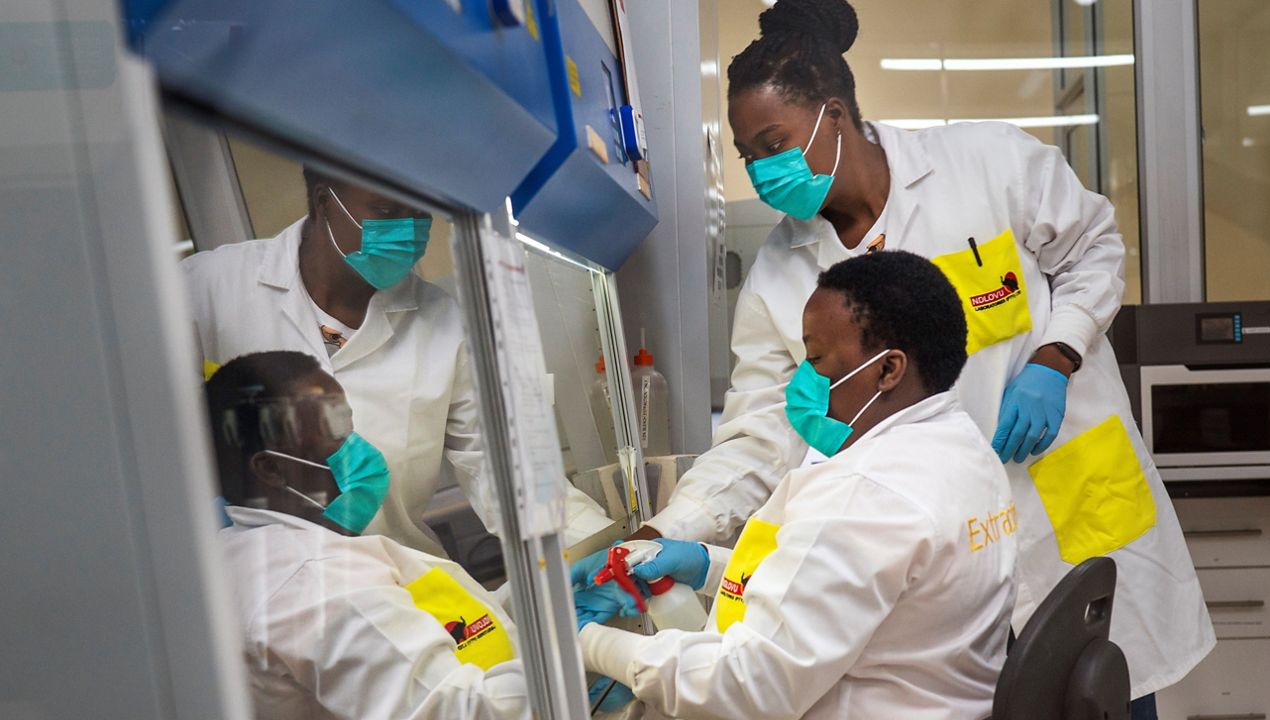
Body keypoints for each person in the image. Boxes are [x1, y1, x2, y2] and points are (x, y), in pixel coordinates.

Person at [579, 1, 1212, 714]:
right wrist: (665, 531)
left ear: (836, 115)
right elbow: (759, 436)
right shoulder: (781, 278)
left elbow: (1095, 246)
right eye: (746, 154)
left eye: (773, 142)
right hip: (940, 568)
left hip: (1065, 504)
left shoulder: (986, 163)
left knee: (1104, 689)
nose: (761, 170)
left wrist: (1053, 357)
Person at [576, 252, 1018, 719]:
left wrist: (590, 644)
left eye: (816, 358)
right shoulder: (964, 447)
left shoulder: (864, 490)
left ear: (888, 370)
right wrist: (708, 567)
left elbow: (745, 688)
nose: (801, 381)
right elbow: (846, 593)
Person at [184, 170, 611, 556]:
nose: (405, 230)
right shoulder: (208, 289)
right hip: (257, 589)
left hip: (400, 581)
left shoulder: (448, 324)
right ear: (323, 201)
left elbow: (506, 471)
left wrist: (607, 547)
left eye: (419, 213)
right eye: (386, 210)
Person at [206, 351, 529, 719]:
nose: (360, 449)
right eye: (336, 434)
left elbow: (408, 631)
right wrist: (578, 649)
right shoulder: (318, 581)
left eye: (351, 427)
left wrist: (528, 606)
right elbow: (461, 711)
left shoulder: (245, 552)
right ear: (272, 469)